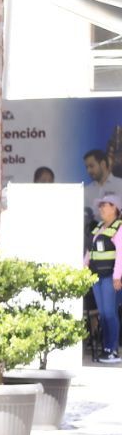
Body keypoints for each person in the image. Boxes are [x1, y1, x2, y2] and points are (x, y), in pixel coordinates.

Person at [85, 194, 122, 364]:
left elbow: (120, 254)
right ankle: (106, 347)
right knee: (103, 313)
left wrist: (117, 277)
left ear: (114, 208)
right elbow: (90, 251)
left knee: (109, 313)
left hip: (110, 277)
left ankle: (112, 350)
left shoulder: (119, 227)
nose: (100, 208)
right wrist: (84, 267)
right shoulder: (99, 227)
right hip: (96, 276)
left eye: (104, 205)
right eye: (100, 206)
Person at [83, 150, 122, 221]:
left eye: (91, 166)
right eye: (87, 167)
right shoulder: (86, 190)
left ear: (103, 164)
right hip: (93, 228)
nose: (89, 171)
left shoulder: (120, 185)